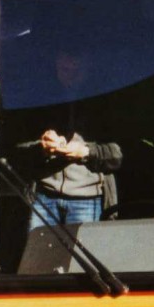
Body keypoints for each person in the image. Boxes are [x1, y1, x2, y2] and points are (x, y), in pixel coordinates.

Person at [22, 49, 123, 230]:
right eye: (64, 67)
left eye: (75, 63)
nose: (69, 67)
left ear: (88, 63)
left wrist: (86, 152)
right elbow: (19, 146)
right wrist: (43, 147)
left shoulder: (105, 101)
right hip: (45, 197)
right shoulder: (40, 100)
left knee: (79, 250)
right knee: (39, 249)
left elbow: (117, 155)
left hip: (86, 199)